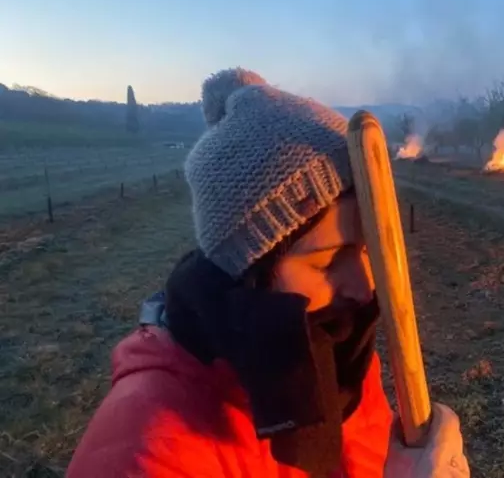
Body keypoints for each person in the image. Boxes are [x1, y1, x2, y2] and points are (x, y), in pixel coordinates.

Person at [67, 68, 470, 477]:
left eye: (370, 251)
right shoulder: (149, 448)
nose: (365, 287)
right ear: (248, 269)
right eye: (328, 260)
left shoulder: (338, 360)